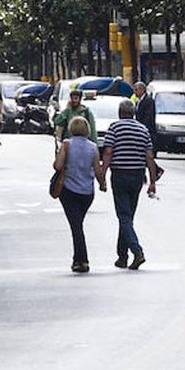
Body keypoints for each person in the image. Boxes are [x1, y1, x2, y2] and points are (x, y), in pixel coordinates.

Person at [102, 100, 159, 270]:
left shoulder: (114, 128)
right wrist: (152, 182)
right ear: (133, 112)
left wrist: (102, 175)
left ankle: (137, 251)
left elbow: (108, 151)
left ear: (120, 112)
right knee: (127, 217)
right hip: (137, 177)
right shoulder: (143, 129)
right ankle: (122, 256)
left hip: (119, 175)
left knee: (123, 216)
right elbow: (149, 156)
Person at [54, 116, 106, 273]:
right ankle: (79, 259)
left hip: (68, 190)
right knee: (77, 224)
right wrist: (102, 183)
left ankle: (82, 260)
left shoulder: (66, 145)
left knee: (76, 226)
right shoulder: (93, 147)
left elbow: (58, 166)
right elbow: (97, 169)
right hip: (87, 192)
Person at [132, 81, 157, 148]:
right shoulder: (138, 101)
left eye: (136, 90)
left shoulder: (148, 100)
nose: (134, 92)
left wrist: (142, 128)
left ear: (142, 90)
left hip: (147, 132)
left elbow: (148, 117)